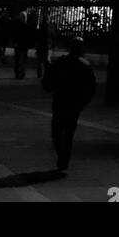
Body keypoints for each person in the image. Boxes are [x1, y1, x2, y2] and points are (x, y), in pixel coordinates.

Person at [42, 38, 96, 172]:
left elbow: (48, 81)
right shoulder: (84, 66)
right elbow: (91, 88)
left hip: (60, 100)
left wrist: (51, 88)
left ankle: (62, 155)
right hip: (74, 104)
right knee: (68, 133)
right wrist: (83, 102)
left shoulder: (60, 63)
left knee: (57, 131)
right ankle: (64, 158)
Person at [11, 11, 30, 80]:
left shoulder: (17, 25)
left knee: (18, 59)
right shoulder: (25, 25)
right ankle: (21, 73)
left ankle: (18, 73)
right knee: (22, 60)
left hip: (19, 45)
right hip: (23, 45)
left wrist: (14, 42)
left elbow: (14, 34)